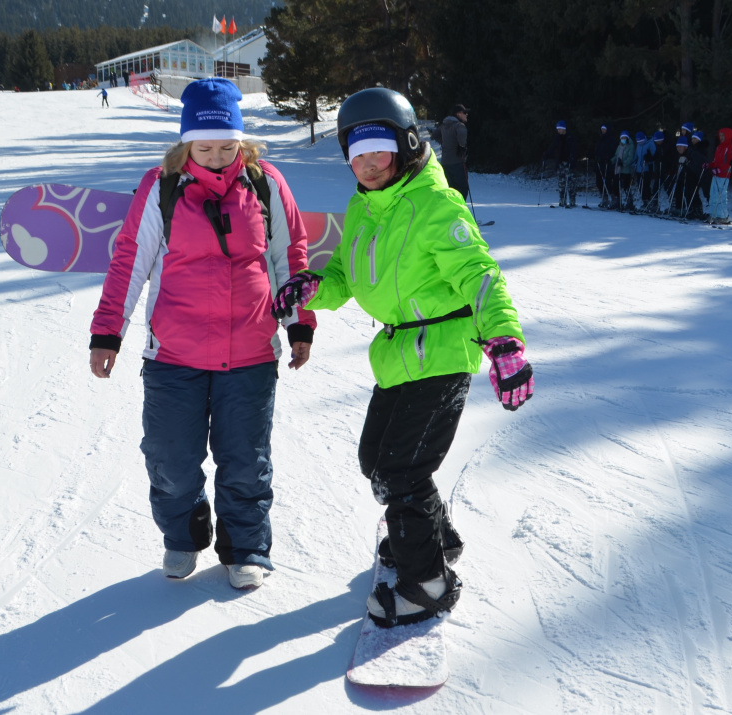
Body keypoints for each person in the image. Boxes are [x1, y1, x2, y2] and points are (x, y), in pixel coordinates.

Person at [272, 87, 533, 627]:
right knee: (378, 463)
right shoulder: (364, 207)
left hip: (440, 354)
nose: (367, 166)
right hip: (397, 357)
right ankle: (433, 535)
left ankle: (428, 584)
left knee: (401, 470)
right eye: (356, 156)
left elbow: (480, 275)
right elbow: (345, 275)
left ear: (408, 146)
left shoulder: (437, 205)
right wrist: (309, 290)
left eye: (378, 152)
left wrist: (504, 341)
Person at [89, 78, 315, 590]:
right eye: (205, 146)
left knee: (246, 459)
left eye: (227, 146)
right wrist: (108, 333)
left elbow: (289, 257)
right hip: (174, 354)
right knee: (170, 457)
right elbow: (130, 260)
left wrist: (298, 322)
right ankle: (183, 537)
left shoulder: (265, 183)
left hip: (251, 351)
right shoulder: (161, 186)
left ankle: (246, 548)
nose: (216, 157)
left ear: (242, 141)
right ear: (186, 142)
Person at [436, 103, 470, 199]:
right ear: (458, 114)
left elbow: (435, 134)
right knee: (462, 189)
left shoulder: (444, 125)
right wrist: (462, 146)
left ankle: (450, 210)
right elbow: (462, 133)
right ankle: (459, 210)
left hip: (445, 163)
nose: (466, 114)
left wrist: (445, 144)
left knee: (449, 189)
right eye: (464, 112)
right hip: (457, 162)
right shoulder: (459, 125)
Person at [543, 120, 578, 207]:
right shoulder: (557, 138)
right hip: (560, 163)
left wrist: (572, 159)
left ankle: (572, 200)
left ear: (564, 129)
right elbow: (552, 148)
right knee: (561, 182)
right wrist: (546, 155)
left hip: (569, 162)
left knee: (570, 182)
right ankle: (562, 199)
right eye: (557, 129)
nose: (558, 130)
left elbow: (574, 150)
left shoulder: (570, 137)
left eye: (560, 129)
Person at [706, 127, 732, 224]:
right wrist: (710, 165)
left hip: (724, 175)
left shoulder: (730, 147)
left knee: (721, 195)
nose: (721, 137)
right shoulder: (719, 147)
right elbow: (716, 161)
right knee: (713, 194)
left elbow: (729, 163)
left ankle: (723, 215)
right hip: (716, 174)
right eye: (720, 135)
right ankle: (713, 214)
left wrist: (720, 169)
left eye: (723, 135)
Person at [594, 123, 617, 208]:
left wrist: (607, 157)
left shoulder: (611, 139)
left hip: (607, 164)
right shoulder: (600, 139)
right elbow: (597, 150)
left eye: (604, 129)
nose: (603, 131)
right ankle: (604, 198)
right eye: (602, 129)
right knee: (599, 182)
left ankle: (613, 198)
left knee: (607, 182)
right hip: (599, 164)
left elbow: (613, 151)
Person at [612, 130, 636, 210]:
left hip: (626, 170)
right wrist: (611, 160)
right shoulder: (619, 146)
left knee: (625, 186)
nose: (623, 139)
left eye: (625, 137)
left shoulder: (630, 146)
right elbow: (616, 156)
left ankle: (629, 202)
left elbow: (630, 158)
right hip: (618, 169)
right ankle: (617, 201)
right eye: (622, 137)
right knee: (615, 185)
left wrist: (623, 163)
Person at [633, 131, 655, 212]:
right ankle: (643, 201)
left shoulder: (650, 144)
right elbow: (636, 155)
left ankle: (648, 200)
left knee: (645, 185)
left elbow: (654, 155)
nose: (640, 143)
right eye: (638, 142)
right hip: (639, 168)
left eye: (641, 141)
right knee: (640, 185)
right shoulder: (638, 145)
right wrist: (634, 162)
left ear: (644, 139)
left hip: (647, 168)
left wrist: (649, 158)